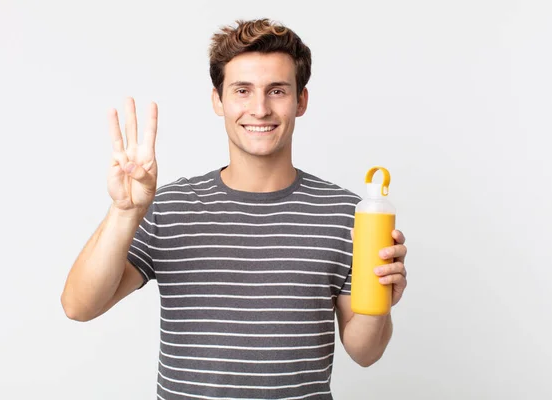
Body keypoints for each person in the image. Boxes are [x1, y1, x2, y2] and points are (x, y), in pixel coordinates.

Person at [61, 18, 408, 399]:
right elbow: (79, 306)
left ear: (301, 100)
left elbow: (365, 352)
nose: (259, 109)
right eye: (242, 90)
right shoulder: (172, 206)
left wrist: (378, 305)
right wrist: (125, 211)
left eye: (277, 90)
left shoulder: (346, 213)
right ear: (218, 100)